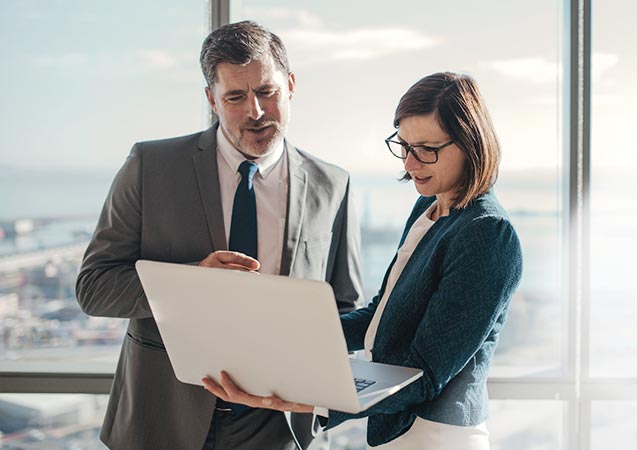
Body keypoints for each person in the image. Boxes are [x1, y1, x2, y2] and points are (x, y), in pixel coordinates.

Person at [75, 20, 363, 450]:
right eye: (235, 97)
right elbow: (94, 288)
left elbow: (343, 307)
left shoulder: (333, 184)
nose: (255, 111)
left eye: (267, 91)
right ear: (211, 99)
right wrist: (192, 282)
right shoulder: (150, 167)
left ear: (291, 85)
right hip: (163, 418)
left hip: (278, 428)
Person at [203, 72, 523, 449]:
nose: (410, 163)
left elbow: (426, 374)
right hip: (397, 431)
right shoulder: (428, 208)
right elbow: (379, 317)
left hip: (437, 436)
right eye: (404, 146)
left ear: (470, 143)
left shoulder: (488, 233)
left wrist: (308, 398)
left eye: (426, 149)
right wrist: (285, 334)